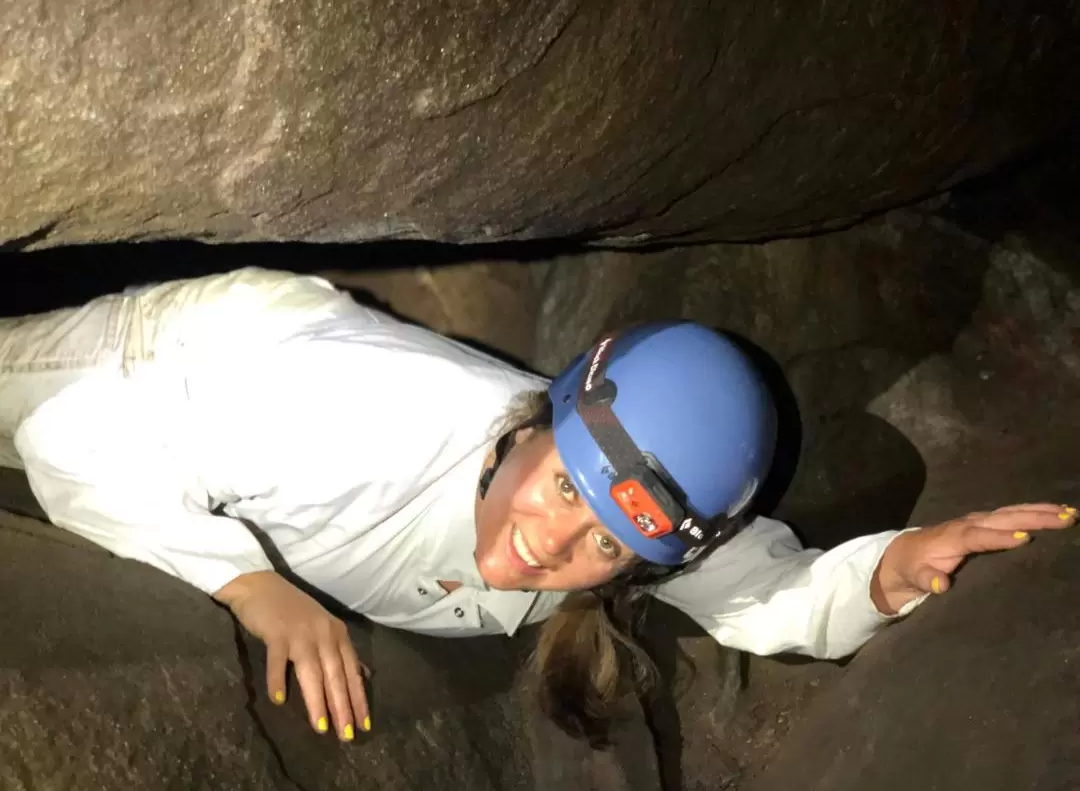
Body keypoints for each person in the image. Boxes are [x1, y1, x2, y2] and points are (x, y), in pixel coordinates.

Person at [0, 266, 1073, 747]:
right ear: (538, 425)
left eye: (604, 539)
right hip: (179, 355)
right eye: (564, 485)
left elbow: (769, 589)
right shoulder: (356, 419)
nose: (552, 543)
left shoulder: (625, 502)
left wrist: (892, 570)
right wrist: (247, 583)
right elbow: (73, 438)